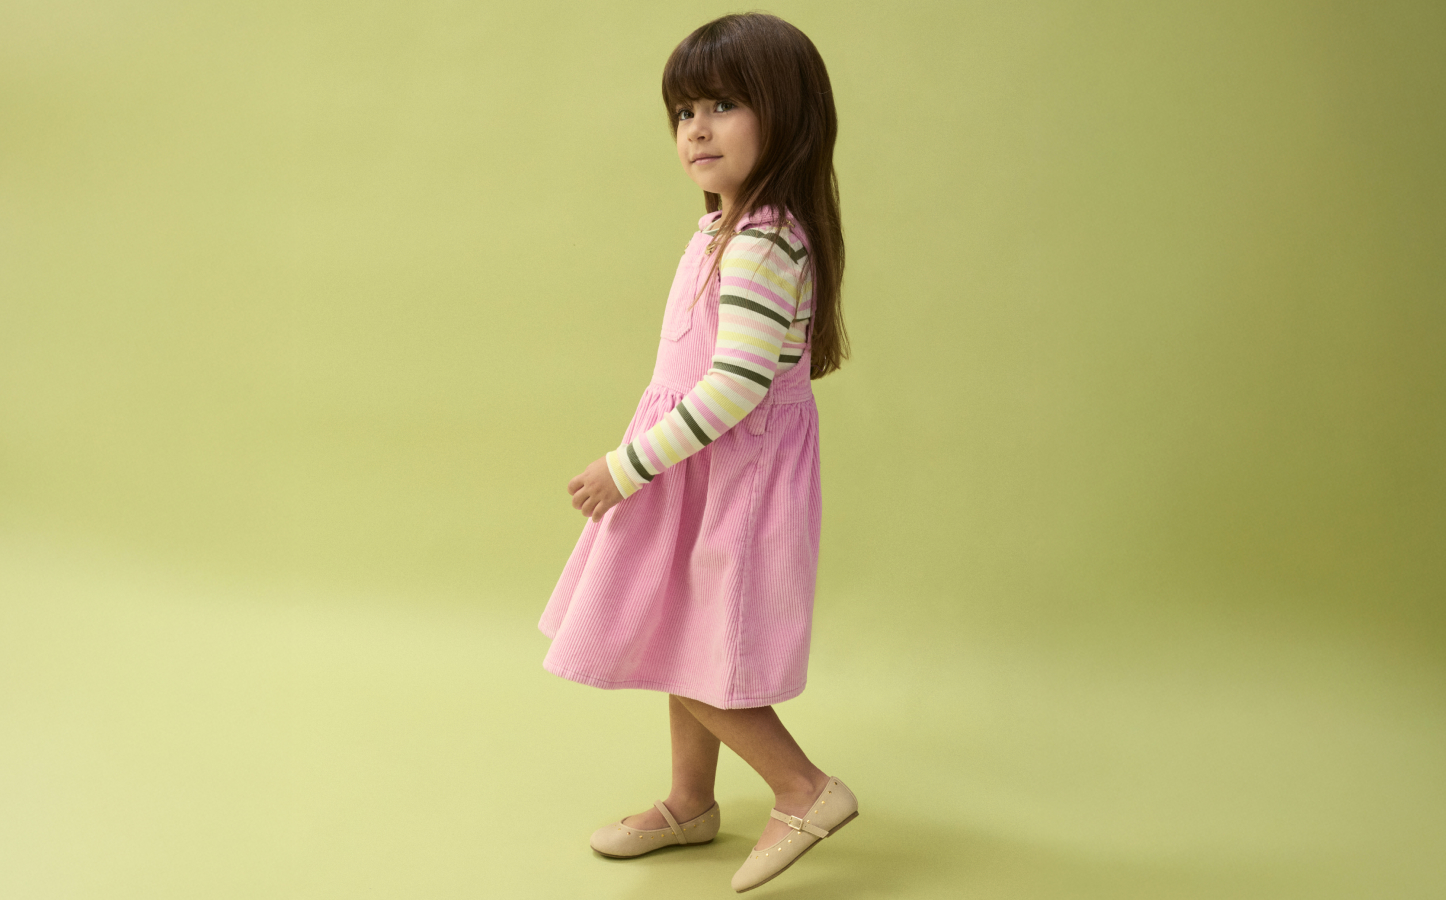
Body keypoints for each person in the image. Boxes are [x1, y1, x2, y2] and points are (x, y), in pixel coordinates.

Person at [536, 12, 857, 893]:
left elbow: (736, 386)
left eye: (723, 106)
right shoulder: (724, 227)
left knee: (701, 642)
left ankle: (805, 789)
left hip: (733, 477)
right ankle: (690, 801)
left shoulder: (763, 241)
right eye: (684, 112)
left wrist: (626, 466)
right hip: (700, 470)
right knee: (678, 628)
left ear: (787, 116)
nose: (697, 129)